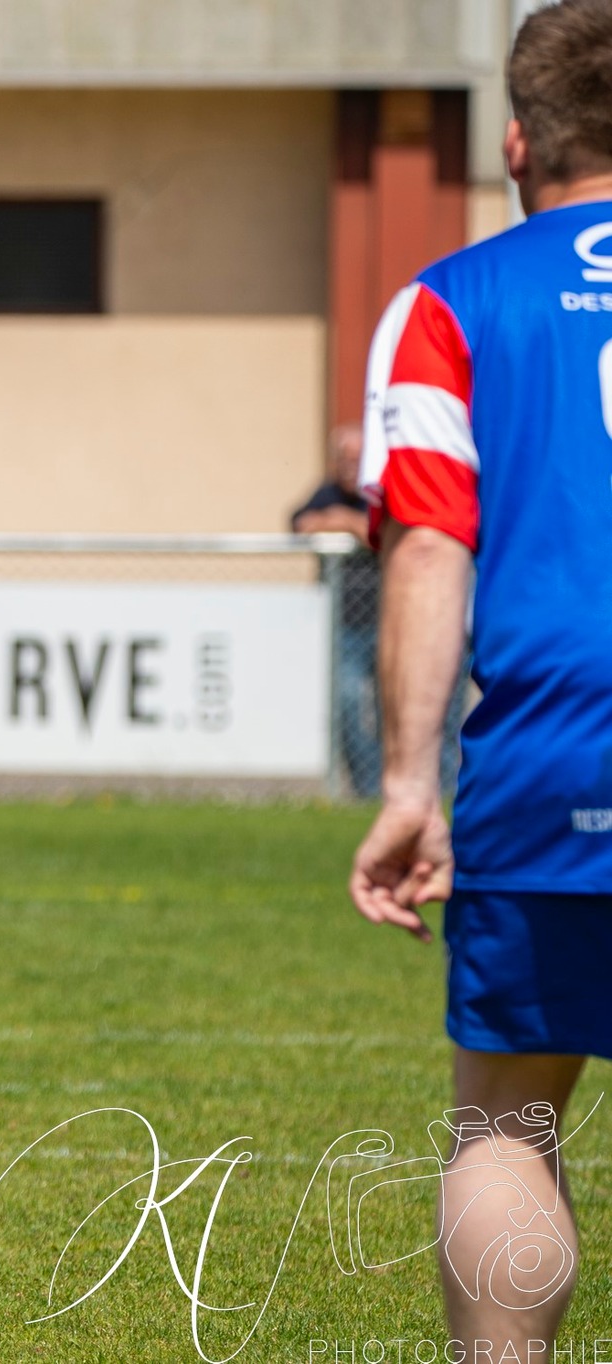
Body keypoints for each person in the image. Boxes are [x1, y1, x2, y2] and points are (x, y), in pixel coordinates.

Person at [349, 2, 612, 1356]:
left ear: (518, 141)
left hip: (554, 755)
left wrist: (407, 781)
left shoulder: (454, 299)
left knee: (507, 1121)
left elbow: (429, 549)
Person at [293, 424, 385, 797]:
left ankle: (392, 790)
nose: (350, 466)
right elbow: (301, 524)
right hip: (343, 626)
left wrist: (344, 523)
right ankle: (366, 792)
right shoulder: (325, 493)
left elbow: (377, 533)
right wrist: (348, 523)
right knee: (347, 706)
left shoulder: (381, 494)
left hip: (386, 623)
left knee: (390, 714)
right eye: (344, 458)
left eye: (357, 458)